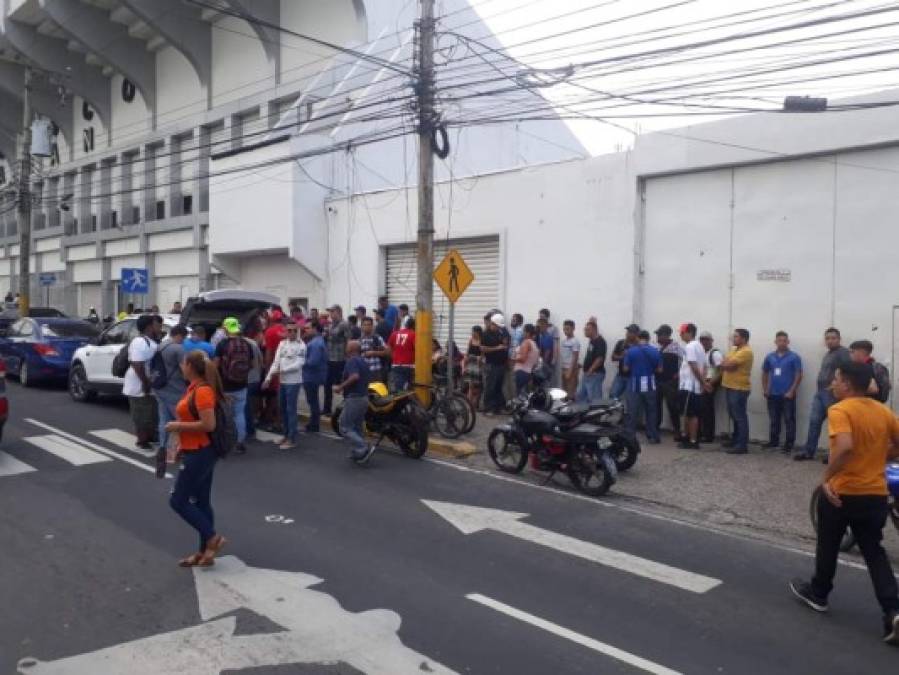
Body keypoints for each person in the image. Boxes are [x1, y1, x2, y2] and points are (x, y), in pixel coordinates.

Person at [789, 361, 899, 645]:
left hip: (842, 493)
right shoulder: (884, 412)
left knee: (828, 542)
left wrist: (826, 477)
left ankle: (819, 593)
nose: (832, 384)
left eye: (836, 380)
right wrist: (880, 458)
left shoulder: (840, 410)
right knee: (874, 551)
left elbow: (846, 447)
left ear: (848, 384)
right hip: (874, 493)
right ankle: (893, 611)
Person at [164, 350, 228, 568]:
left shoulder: (202, 391)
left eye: (183, 364)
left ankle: (213, 538)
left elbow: (208, 424)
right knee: (201, 502)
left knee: (178, 500)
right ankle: (204, 553)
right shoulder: (194, 388)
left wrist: (177, 426)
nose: (181, 367)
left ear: (190, 366)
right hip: (195, 449)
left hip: (201, 453)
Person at [796, 328, 851, 461]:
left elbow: (848, 371)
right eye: (827, 338)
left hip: (833, 395)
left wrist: (835, 386)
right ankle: (809, 451)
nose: (830, 341)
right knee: (814, 422)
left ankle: (834, 454)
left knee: (835, 426)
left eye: (833, 338)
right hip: (820, 393)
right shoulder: (828, 354)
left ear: (839, 339)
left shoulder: (843, 353)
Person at [213, 317, 255, 454]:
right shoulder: (247, 344)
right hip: (242, 385)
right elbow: (253, 365)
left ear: (225, 328)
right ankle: (240, 442)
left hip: (225, 387)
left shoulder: (222, 344)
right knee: (239, 414)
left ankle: (225, 442)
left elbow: (215, 365)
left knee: (224, 415)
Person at [263, 322, 306, 449]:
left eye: (293, 330)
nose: (291, 332)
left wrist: (282, 370)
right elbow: (276, 362)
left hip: (293, 382)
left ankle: (292, 438)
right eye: (289, 330)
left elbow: (299, 363)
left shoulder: (301, 346)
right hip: (282, 381)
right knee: (282, 409)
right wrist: (268, 377)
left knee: (291, 410)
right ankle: (286, 435)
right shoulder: (282, 344)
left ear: (297, 331)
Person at [153, 324, 188, 476]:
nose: (184, 341)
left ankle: (162, 446)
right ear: (179, 335)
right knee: (181, 420)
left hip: (160, 387)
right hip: (175, 390)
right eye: (184, 337)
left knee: (164, 419)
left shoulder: (161, 345)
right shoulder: (178, 349)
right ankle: (177, 451)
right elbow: (186, 371)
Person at [124, 314, 162, 450]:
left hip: (147, 384)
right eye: (155, 325)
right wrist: (145, 383)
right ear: (148, 327)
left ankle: (150, 437)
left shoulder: (151, 341)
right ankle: (142, 440)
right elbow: (137, 364)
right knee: (141, 413)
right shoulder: (139, 342)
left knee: (150, 412)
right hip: (138, 384)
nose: (158, 327)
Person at [334, 341, 375, 464]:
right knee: (356, 427)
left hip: (354, 398)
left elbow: (355, 376)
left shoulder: (352, 361)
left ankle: (363, 447)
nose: (345, 347)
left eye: (347, 346)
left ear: (351, 349)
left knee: (344, 426)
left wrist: (340, 387)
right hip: (363, 398)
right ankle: (358, 453)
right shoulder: (363, 361)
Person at [762, 331, 803, 453]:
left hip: (787, 395)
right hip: (772, 394)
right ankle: (773, 442)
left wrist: (792, 390)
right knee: (774, 420)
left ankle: (788, 445)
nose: (782, 343)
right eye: (779, 340)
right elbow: (765, 373)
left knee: (789, 420)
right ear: (775, 342)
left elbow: (798, 375)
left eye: (784, 340)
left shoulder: (794, 357)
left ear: (788, 342)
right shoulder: (769, 357)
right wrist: (765, 389)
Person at [623, 330, 662, 444]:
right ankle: (652, 435)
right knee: (651, 411)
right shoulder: (655, 351)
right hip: (650, 384)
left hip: (634, 384)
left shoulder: (630, 351)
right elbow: (660, 369)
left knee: (632, 411)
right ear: (649, 338)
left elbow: (625, 369)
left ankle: (630, 435)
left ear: (637, 338)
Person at [720, 328, 754, 455]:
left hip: (739, 388)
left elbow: (728, 365)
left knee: (740, 417)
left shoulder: (746, 351)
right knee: (734, 416)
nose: (733, 339)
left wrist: (725, 364)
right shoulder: (735, 350)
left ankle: (742, 445)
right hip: (730, 386)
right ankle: (736, 440)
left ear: (743, 339)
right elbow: (723, 362)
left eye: (736, 337)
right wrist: (725, 364)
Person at [677, 323, 707, 449]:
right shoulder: (699, 346)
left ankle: (693, 441)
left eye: (682, 332)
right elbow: (704, 366)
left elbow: (694, 366)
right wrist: (703, 382)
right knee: (689, 413)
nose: (680, 335)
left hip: (689, 385)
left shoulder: (690, 346)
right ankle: (688, 437)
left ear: (689, 332)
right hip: (693, 385)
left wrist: (703, 383)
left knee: (691, 414)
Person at [655, 324, 683, 441]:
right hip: (658, 381)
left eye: (659, 335)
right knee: (656, 406)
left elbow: (686, 361)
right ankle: (655, 428)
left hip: (670, 382)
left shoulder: (676, 347)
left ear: (666, 335)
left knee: (672, 406)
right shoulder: (658, 348)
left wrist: (679, 374)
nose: (657, 338)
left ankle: (677, 430)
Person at [323, 305, 352, 416]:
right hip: (330, 359)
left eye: (333, 312)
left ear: (339, 312)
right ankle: (327, 409)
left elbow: (348, 340)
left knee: (343, 385)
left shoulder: (344, 325)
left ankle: (346, 410)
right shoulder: (330, 325)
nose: (331, 314)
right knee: (327, 385)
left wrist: (348, 357)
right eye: (330, 312)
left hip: (340, 360)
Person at [481, 313, 510, 414]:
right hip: (491, 364)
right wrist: (497, 348)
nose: (498, 328)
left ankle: (499, 407)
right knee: (490, 387)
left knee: (498, 386)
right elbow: (483, 349)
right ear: (492, 324)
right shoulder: (485, 334)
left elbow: (505, 343)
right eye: (497, 326)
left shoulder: (500, 333)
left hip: (501, 364)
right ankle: (488, 408)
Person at [302, 321, 327, 432]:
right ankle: (313, 423)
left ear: (315, 329)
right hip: (313, 375)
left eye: (308, 328)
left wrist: (300, 361)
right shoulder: (316, 341)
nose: (305, 330)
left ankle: (314, 424)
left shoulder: (316, 343)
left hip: (312, 376)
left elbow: (313, 362)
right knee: (313, 400)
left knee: (312, 400)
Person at [699, 331, 723, 443]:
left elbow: (721, 371)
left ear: (711, 341)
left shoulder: (715, 353)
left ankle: (708, 436)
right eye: (702, 339)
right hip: (704, 381)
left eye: (706, 339)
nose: (704, 342)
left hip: (711, 382)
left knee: (707, 409)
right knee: (703, 409)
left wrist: (711, 383)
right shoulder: (703, 353)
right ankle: (703, 433)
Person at [577, 318, 607, 404]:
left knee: (594, 400)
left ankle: (597, 417)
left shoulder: (600, 341)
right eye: (585, 330)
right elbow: (592, 357)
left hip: (594, 374)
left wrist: (591, 370)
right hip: (588, 374)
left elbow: (600, 359)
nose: (585, 332)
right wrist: (583, 366)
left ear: (593, 330)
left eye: (587, 330)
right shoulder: (592, 341)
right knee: (581, 397)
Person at [243, 320, 265, 441]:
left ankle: (248, 430)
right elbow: (261, 362)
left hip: (242, 378)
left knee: (244, 406)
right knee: (249, 405)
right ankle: (250, 428)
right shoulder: (253, 343)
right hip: (254, 379)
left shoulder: (233, 343)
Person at [610, 324, 640, 400]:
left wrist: (631, 355)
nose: (627, 333)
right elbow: (613, 357)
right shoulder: (621, 343)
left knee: (631, 399)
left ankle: (628, 411)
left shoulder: (639, 346)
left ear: (636, 334)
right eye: (628, 331)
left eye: (630, 332)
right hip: (620, 375)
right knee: (612, 395)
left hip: (633, 377)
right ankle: (616, 411)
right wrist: (622, 356)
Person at [387, 316, 416, 393]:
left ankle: (400, 403)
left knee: (398, 389)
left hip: (396, 365)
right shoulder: (413, 335)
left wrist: (394, 358)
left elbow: (388, 349)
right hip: (409, 366)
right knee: (409, 389)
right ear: (413, 326)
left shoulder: (394, 334)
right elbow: (417, 349)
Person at [512, 324, 539, 396]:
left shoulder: (526, 342)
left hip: (521, 371)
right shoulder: (534, 344)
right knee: (525, 395)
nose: (522, 333)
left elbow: (523, 359)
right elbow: (535, 362)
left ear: (527, 333)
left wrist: (513, 359)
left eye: (524, 331)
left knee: (519, 395)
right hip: (528, 372)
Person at [360, 316, 388, 383]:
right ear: (361, 326)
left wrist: (373, 353)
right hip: (363, 371)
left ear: (372, 326)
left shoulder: (377, 338)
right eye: (365, 325)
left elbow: (387, 352)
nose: (367, 327)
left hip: (376, 371)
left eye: (369, 325)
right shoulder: (359, 340)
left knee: (377, 392)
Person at [464, 325, 484, 410]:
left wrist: (479, 360)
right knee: (470, 385)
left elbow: (482, 355)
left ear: (478, 332)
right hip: (470, 365)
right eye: (472, 331)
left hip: (478, 366)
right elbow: (467, 352)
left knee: (478, 386)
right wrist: (465, 362)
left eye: (474, 331)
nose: (472, 333)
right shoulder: (471, 340)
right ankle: (469, 405)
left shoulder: (482, 341)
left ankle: (476, 404)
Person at [560, 320, 580, 400]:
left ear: (573, 328)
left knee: (570, 393)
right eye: (564, 329)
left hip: (571, 369)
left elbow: (575, 357)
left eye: (567, 329)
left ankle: (572, 410)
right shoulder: (564, 341)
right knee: (564, 392)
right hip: (564, 368)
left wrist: (570, 371)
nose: (565, 331)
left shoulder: (575, 341)